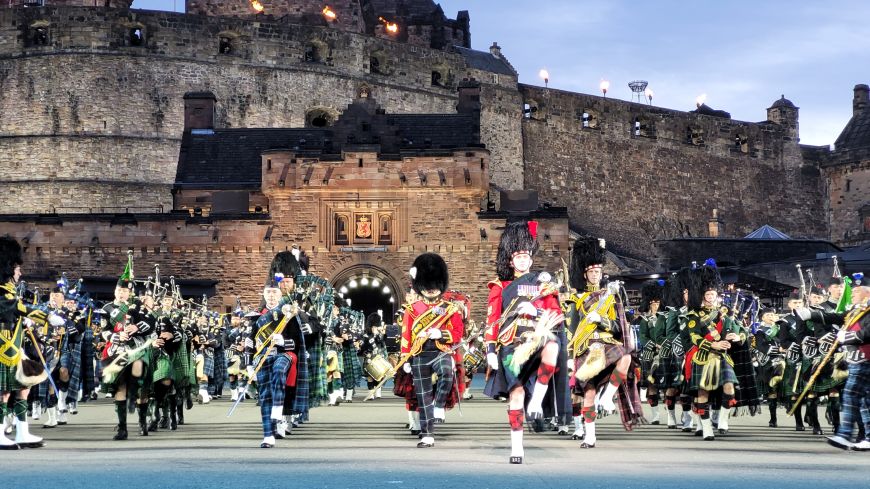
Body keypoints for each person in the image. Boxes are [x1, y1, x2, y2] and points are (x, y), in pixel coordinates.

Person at [483, 221, 564, 463]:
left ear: (531, 259)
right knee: (516, 393)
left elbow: (557, 316)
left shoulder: (544, 285)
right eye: (518, 256)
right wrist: (489, 349)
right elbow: (492, 319)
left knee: (553, 346)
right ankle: (517, 447)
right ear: (510, 260)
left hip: (537, 340)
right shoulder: (500, 286)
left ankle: (537, 399)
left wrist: (537, 312)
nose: (522, 260)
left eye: (526, 256)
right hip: (511, 345)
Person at [565, 235, 641, 448]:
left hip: (606, 342)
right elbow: (571, 329)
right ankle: (590, 436)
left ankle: (608, 396)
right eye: (592, 272)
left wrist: (602, 319)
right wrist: (569, 358)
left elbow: (618, 327)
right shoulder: (576, 299)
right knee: (588, 393)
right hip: (584, 347)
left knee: (625, 357)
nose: (596, 275)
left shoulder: (610, 297)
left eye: (598, 272)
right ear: (585, 274)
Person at [401, 253, 464, 449]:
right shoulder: (412, 309)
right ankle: (427, 434)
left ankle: (439, 405)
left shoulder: (450, 309)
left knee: (446, 373)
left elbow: (458, 333)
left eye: (435, 285)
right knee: (423, 395)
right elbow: (406, 336)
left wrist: (441, 334)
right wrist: (405, 360)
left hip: (441, 351)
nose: (430, 289)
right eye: (427, 285)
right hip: (419, 354)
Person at [0, 236, 55, 449]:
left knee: (24, 386)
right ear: (7, 269)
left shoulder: (10, 291)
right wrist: (46, 316)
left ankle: (22, 432)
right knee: (3, 391)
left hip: (14, 346)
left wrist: (26, 324)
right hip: (3, 348)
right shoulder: (2, 292)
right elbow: (16, 308)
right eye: (16, 268)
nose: (20, 272)